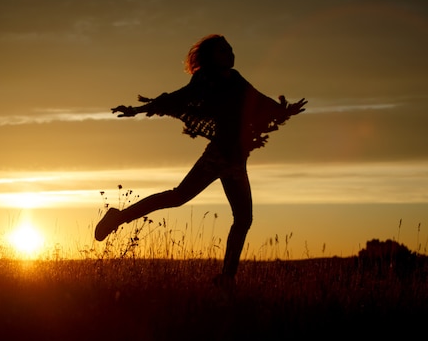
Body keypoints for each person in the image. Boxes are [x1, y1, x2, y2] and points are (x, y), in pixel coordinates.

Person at [95, 34, 307, 285]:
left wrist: (284, 109)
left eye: (230, 48)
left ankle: (227, 278)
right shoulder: (205, 79)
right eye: (222, 50)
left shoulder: (236, 79)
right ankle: (118, 217)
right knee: (178, 197)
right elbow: (176, 98)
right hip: (218, 156)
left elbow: (258, 100)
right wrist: (139, 109)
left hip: (237, 158)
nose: (229, 53)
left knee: (243, 218)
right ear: (210, 57)